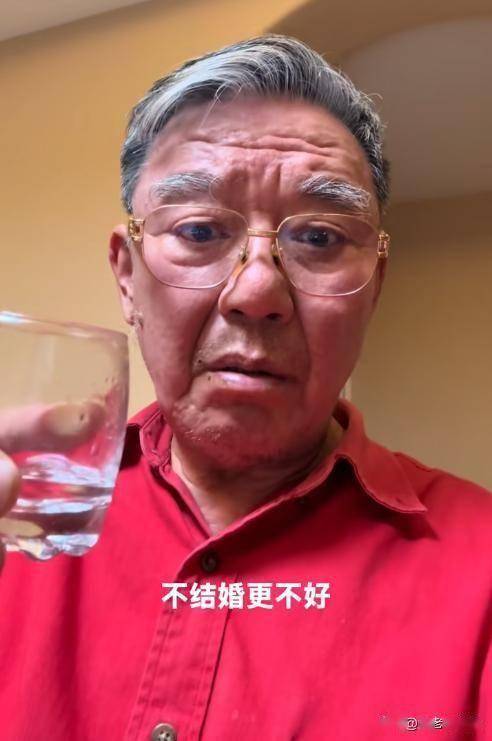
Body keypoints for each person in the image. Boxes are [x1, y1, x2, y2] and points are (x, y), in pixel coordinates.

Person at [0, 35, 490, 741]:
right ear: (127, 276)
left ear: (374, 287)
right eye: (200, 228)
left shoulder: (481, 568)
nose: (257, 291)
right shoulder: (29, 510)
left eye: (320, 238)